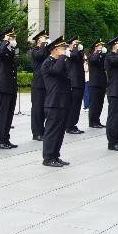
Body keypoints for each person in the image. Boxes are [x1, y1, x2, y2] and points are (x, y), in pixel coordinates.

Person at [41, 37, 71, 167]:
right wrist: (62, 58)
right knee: (52, 131)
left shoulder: (60, 61)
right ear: (55, 50)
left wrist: (63, 58)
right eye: (63, 48)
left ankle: (55, 155)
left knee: (59, 131)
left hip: (63, 101)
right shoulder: (47, 62)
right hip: (54, 102)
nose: (65, 51)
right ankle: (48, 157)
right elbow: (57, 71)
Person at [0, 28, 19, 149]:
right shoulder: (1, 49)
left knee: (9, 115)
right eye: (11, 37)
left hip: (11, 87)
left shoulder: (11, 51)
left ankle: (6, 138)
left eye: (13, 38)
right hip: (3, 87)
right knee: (2, 115)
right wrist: (6, 41)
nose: (13, 40)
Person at [29, 31, 49, 140]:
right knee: (37, 109)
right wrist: (43, 45)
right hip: (38, 84)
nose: (46, 39)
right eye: (43, 38)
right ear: (38, 40)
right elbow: (40, 55)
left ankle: (43, 130)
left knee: (45, 109)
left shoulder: (44, 50)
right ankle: (37, 132)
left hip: (46, 83)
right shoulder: (35, 50)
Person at [65, 37, 86, 135]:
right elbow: (73, 56)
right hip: (73, 83)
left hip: (79, 82)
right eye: (75, 43)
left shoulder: (77, 52)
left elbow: (79, 56)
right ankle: (69, 126)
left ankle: (73, 124)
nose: (77, 45)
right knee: (73, 106)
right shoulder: (68, 52)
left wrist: (78, 48)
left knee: (77, 106)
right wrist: (75, 47)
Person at [87, 39, 107, 128]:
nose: (102, 48)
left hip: (101, 82)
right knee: (94, 103)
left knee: (100, 103)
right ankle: (92, 122)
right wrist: (98, 51)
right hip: (94, 83)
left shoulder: (101, 56)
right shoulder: (91, 56)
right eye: (100, 46)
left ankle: (97, 120)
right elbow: (93, 60)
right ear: (96, 47)